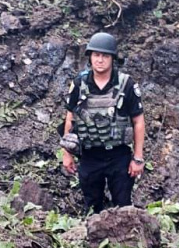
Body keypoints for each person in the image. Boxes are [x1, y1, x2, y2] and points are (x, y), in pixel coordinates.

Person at [60, 32, 145, 213]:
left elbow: (138, 121)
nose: (100, 60)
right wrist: (67, 154)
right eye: (96, 55)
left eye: (105, 55)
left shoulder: (127, 84)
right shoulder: (79, 83)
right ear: (90, 57)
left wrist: (137, 158)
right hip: (89, 156)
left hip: (119, 156)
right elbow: (70, 118)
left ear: (113, 58)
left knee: (123, 206)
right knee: (92, 205)